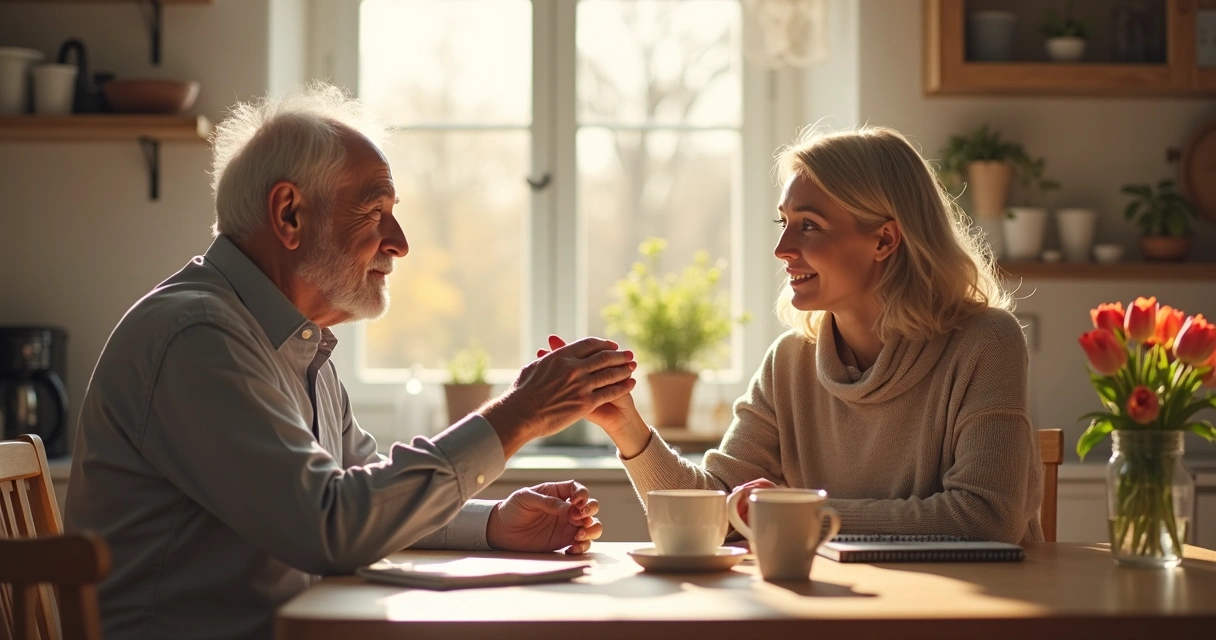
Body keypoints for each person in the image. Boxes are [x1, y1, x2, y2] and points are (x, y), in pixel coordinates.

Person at [64, 83, 637, 640]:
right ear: (289, 215)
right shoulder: (197, 337)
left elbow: (365, 495)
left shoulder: (291, 340)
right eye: (375, 210)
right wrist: (521, 413)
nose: (400, 241)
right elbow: (330, 526)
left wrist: (491, 523)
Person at [548, 125, 1043, 545]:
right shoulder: (790, 362)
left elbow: (985, 518)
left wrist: (803, 515)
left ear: (884, 239)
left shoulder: (986, 342)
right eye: (784, 223)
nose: (782, 248)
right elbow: (720, 511)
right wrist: (627, 430)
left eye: (809, 226)